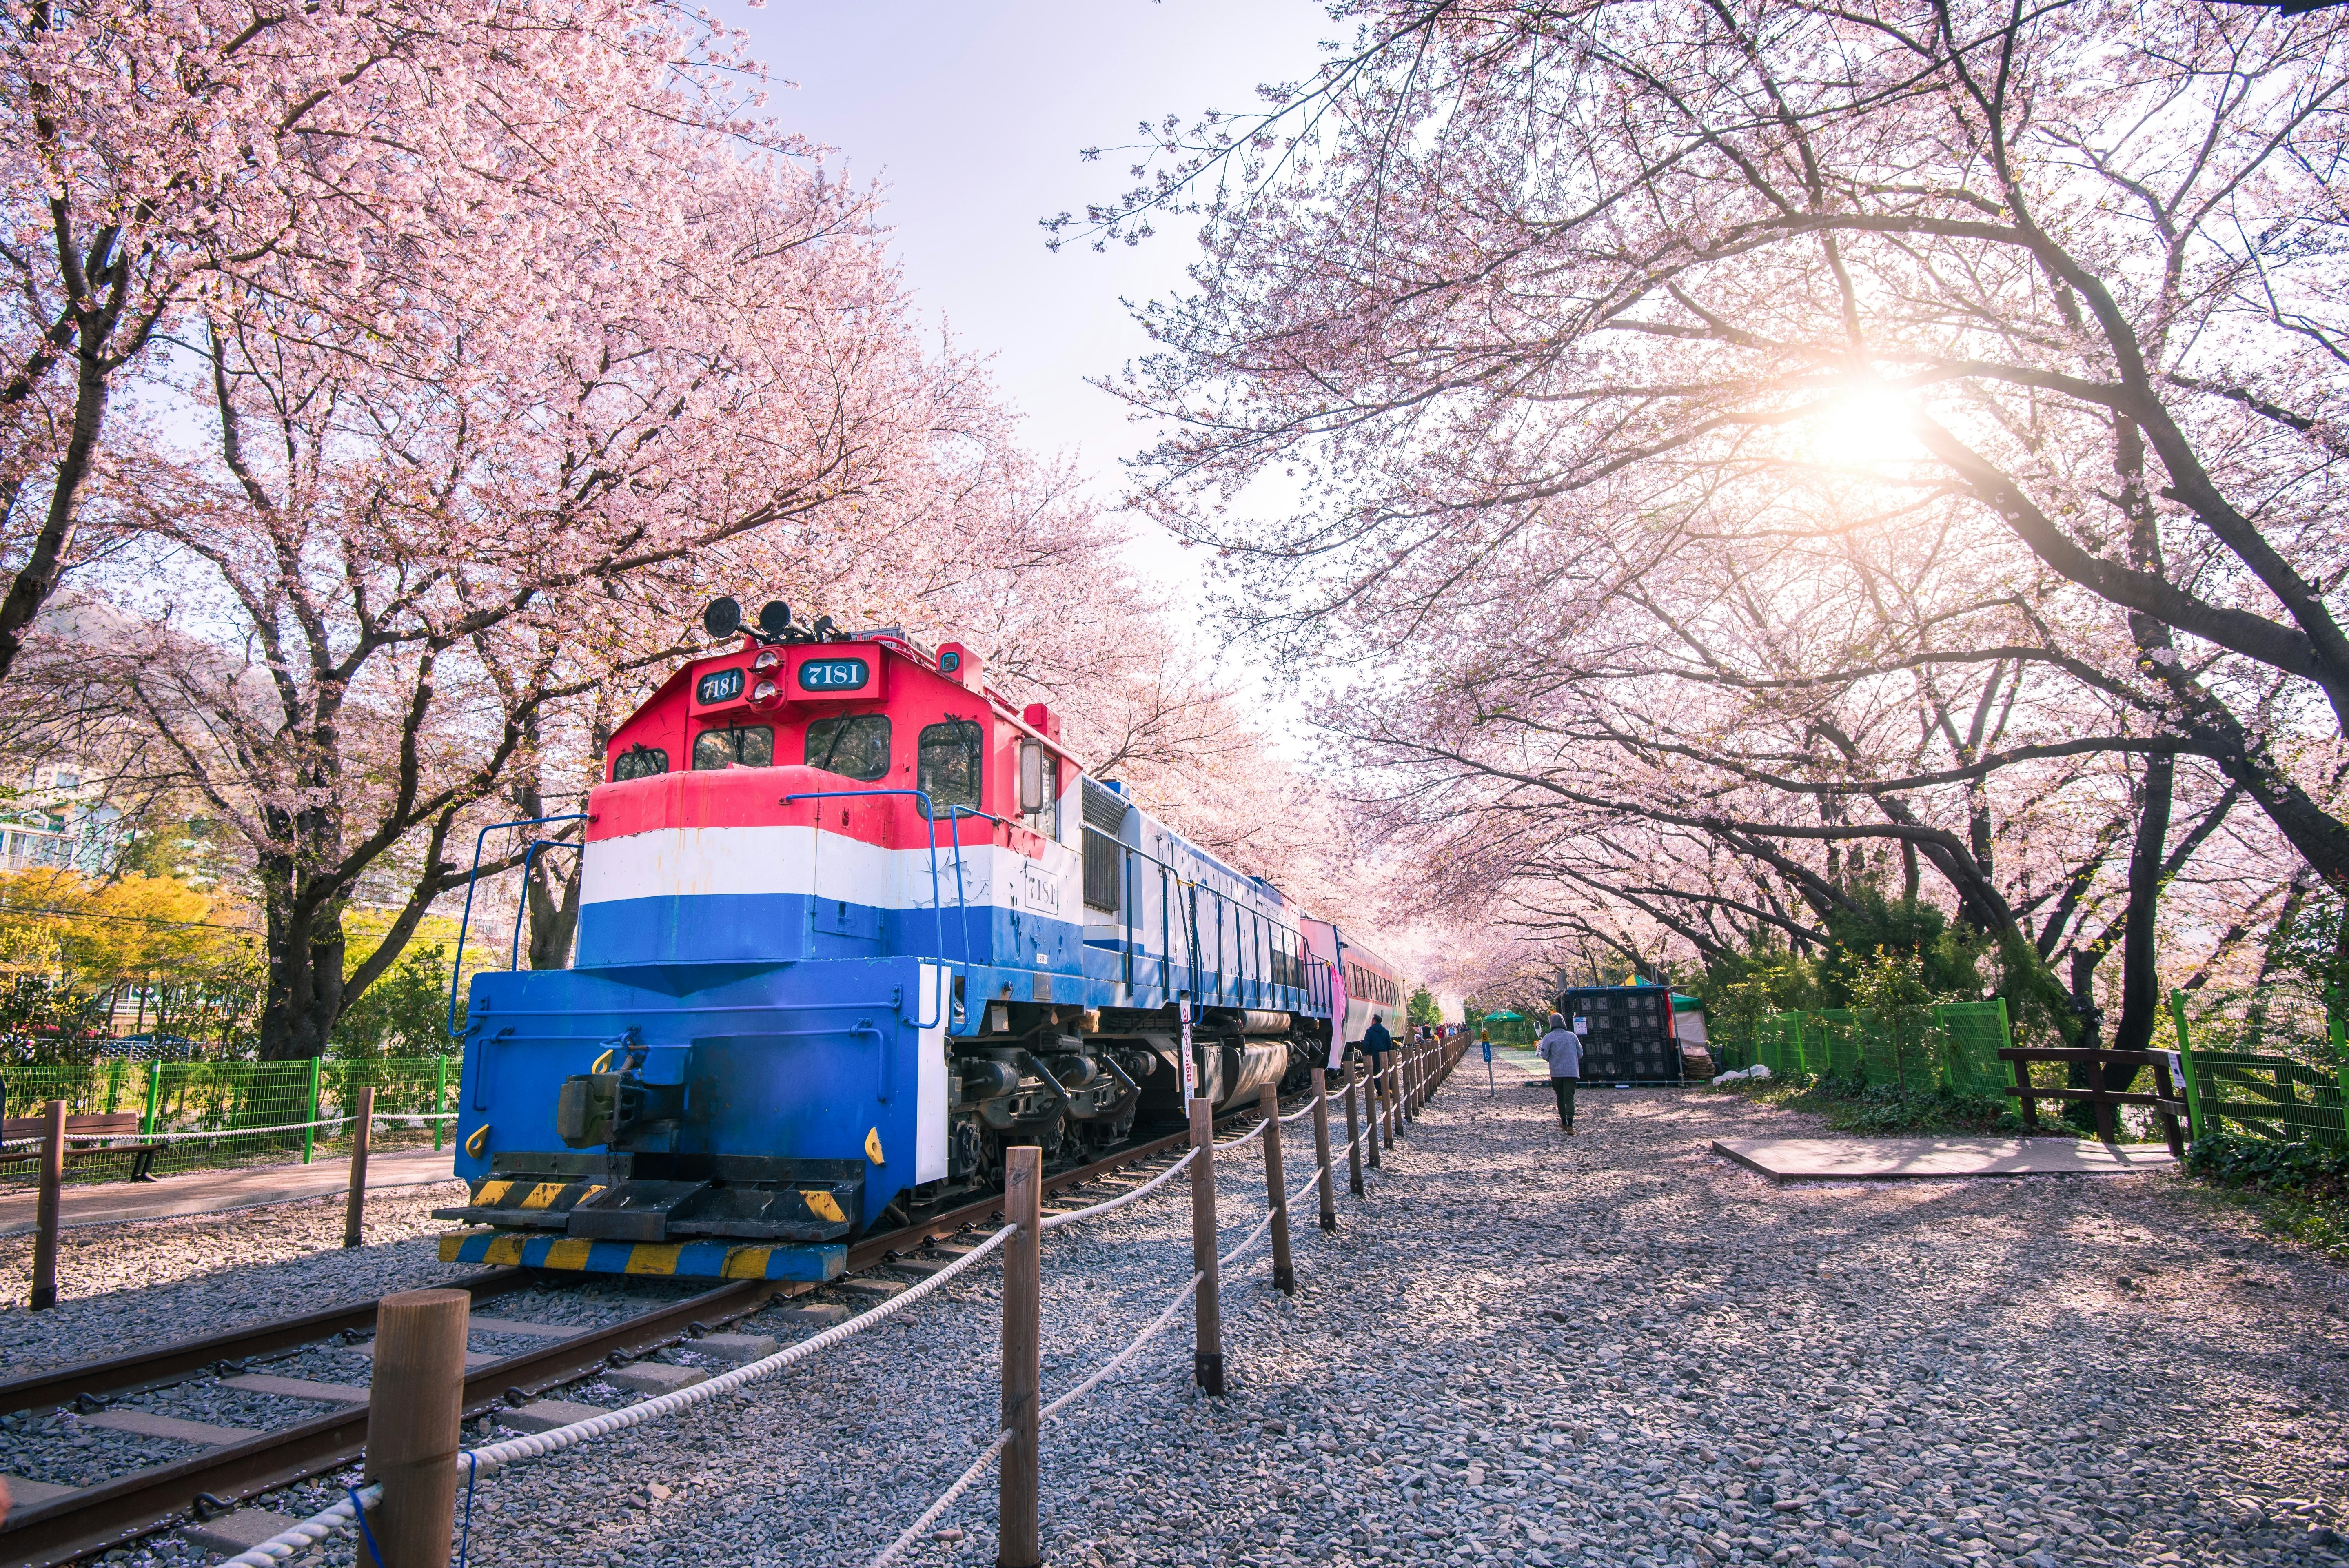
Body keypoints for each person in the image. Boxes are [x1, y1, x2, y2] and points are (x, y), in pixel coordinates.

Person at [1534, 1010, 1583, 1133]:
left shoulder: (1548, 1037)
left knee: (1560, 1097)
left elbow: (1544, 1055)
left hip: (1556, 1073)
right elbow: (1580, 1053)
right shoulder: (1572, 1036)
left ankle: (1564, 1122)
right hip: (1571, 1072)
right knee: (1569, 1098)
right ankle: (1571, 1125)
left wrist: (1554, 1060)